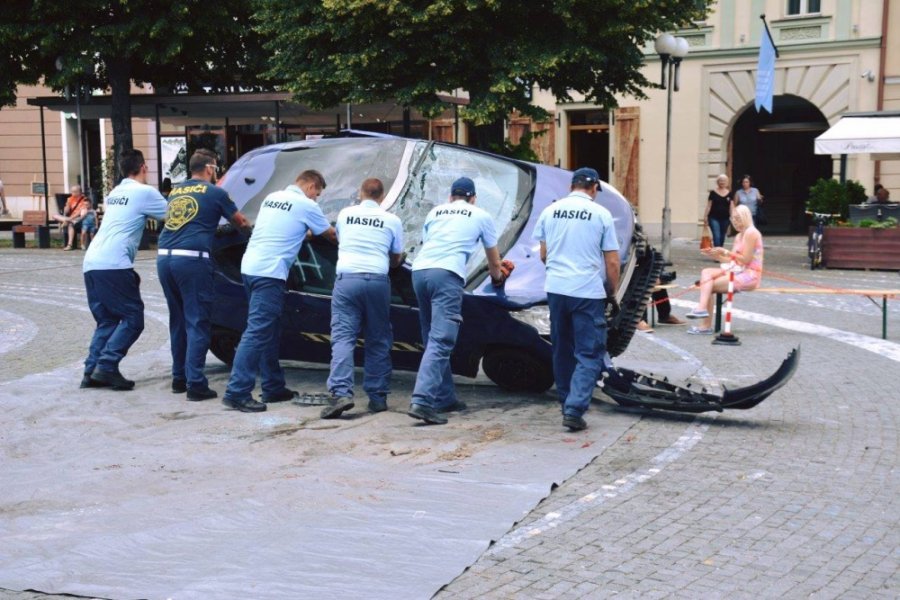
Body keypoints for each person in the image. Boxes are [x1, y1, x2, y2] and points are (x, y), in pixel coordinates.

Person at [222, 169, 336, 413]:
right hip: (269, 273)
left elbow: (284, 228)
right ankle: (237, 391)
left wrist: (302, 234)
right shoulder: (305, 205)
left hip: (250, 268)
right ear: (311, 186)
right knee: (257, 331)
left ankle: (273, 386)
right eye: (316, 194)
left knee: (269, 330)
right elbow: (330, 235)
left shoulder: (272, 198)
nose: (316, 199)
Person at [408, 176, 512, 426]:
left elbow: (428, 241)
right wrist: (498, 278)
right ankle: (422, 401)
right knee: (442, 340)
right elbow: (493, 260)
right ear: (473, 198)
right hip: (447, 275)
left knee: (431, 337)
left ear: (451, 197)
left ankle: (444, 397)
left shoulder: (435, 212)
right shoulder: (480, 215)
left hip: (420, 273)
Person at [157, 150, 251, 401]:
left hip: (164, 258)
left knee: (178, 320)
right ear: (209, 169)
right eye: (216, 168)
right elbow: (240, 222)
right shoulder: (216, 192)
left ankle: (179, 378)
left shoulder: (175, 192)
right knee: (198, 320)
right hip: (192, 261)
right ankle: (196, 383)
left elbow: (181, 220)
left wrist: (214, 230)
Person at [533, 167, 620, 432]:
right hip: (587, 291)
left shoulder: (550, 211)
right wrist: (611, 293)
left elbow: (544, 254)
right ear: (593, 188)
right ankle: (574, 408)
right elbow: (613, 261)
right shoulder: (602, 214)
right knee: (589, 352)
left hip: (557, 290)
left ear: (573, 186)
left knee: (562, 349)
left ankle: (565, 402)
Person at [81, 149, 168, 390]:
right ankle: (107, 366)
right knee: (133, 318)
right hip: (114, 264)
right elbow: (176, 215)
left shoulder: (116, 192)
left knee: (107, 320)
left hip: (92, 262)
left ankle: (91, 371)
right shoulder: (144, 192)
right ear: (143, 167)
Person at [321, 178, 404, 419]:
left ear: (361, 192)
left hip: (348, 281)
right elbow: (396, 257)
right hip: (378, 281)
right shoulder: (392, 220)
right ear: (382, 196)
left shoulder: (346, 214)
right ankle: (377, 397)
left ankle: (341, 393)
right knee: (378, 339)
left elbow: (340, 240)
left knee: (343, 338)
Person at [685, 204, 763, 334]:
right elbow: (734, 261)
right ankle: (702, 310)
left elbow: (746, 260)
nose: (735, 222)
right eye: (733, 219)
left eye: (738, 218)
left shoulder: (751, 233)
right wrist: (717, 256)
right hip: (737, 270)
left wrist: (725, 252)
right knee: (706, 272)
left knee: (708, 285)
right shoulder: (739, 236)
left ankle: (704, 321)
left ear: (746, 217)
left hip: (749, 275)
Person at [53, 185, 92, 250]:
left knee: (70, 225)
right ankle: (68, 221)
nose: (72, 193)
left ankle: (69, 245)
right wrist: (67, 206)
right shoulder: (70, 199)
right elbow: (66, 212)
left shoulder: (85, 200)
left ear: (79, 192)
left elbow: (80, 213)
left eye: (74, 192)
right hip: (71, 219)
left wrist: (70, 219)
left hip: (81, 219)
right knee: (54, 216)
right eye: (72, 191)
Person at [705, 174, 733, 248]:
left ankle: (719, 251)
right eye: (720, 180)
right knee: (716, 235)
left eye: (724, 180)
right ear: (717, 182)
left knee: (722, 236)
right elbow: (709, 206)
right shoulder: (713, 193)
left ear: (726, 182)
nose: (722, 182)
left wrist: (733, 217)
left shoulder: (730, 193)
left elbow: (731, 206)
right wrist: (705, 217)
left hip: (725, 218)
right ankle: (717, 253)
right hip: (713, 218)